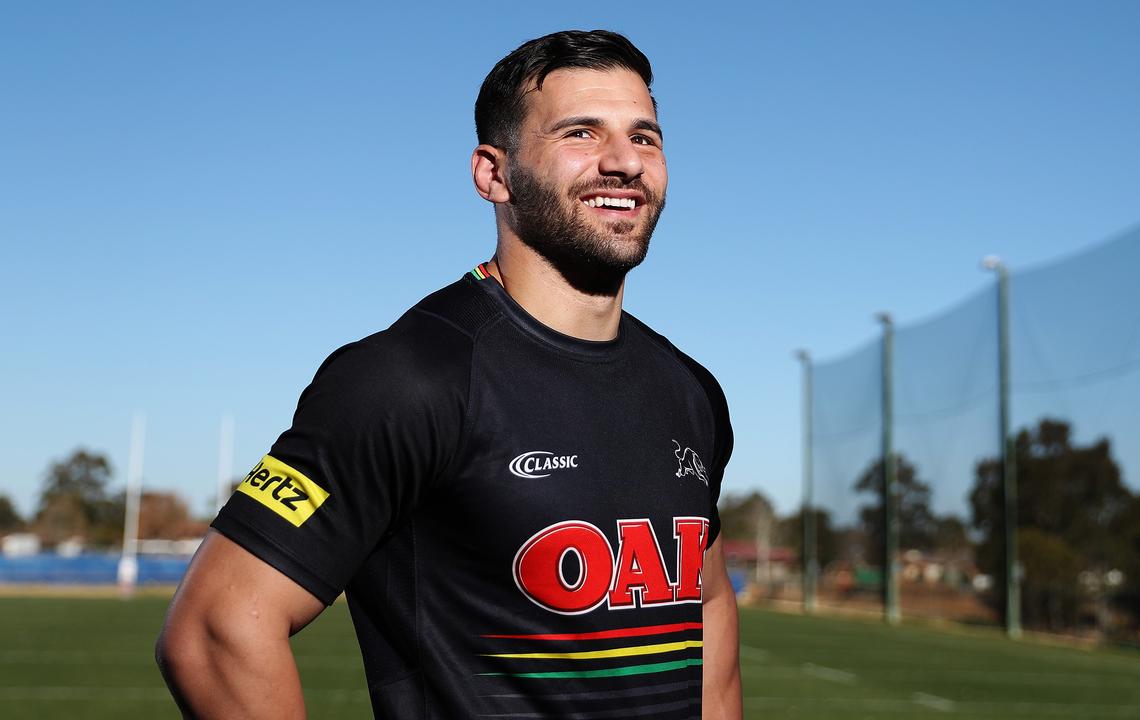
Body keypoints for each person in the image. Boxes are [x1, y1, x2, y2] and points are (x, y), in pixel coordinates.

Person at [156, 29, 741, 720]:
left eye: (645, 138)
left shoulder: (689, 390)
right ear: (494, 174)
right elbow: (216, 629)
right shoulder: (408, 378)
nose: (623, 161)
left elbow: (704, 599)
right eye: (581, 133)